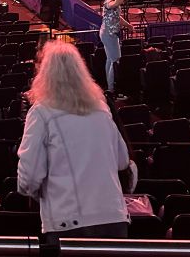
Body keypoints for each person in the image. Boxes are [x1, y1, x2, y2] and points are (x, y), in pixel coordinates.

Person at [17, 40, 131, 247]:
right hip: (113, 216)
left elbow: (29, 176)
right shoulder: (101, 109)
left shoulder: (41, 112)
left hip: (68, 220)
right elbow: (122, 161)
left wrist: (36, 192)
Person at [100, 0, 134, 93]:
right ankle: (111, 89)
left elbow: (117, 18)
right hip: (109, 35)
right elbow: (116, 3)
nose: (124, 1)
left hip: (108, 34)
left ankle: (109, 87)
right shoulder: (108, 2)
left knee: (110, 59)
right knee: (115, 60)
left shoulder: (115, 4)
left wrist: (128, 25)